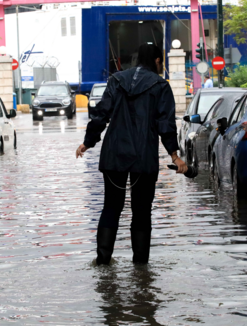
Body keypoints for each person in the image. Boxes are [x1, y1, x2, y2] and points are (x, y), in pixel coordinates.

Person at [76, 43, 188, 265]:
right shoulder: (160, 86)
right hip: (143, 155)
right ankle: (141, 269)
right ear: (157, 61)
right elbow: (165, 124)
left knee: (111, 207)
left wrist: (87, 143)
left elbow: (101, 115)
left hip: (113, 153)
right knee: (142, 211)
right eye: (161, 62)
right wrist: (174, 156)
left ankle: (103, 262)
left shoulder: (116, 80)